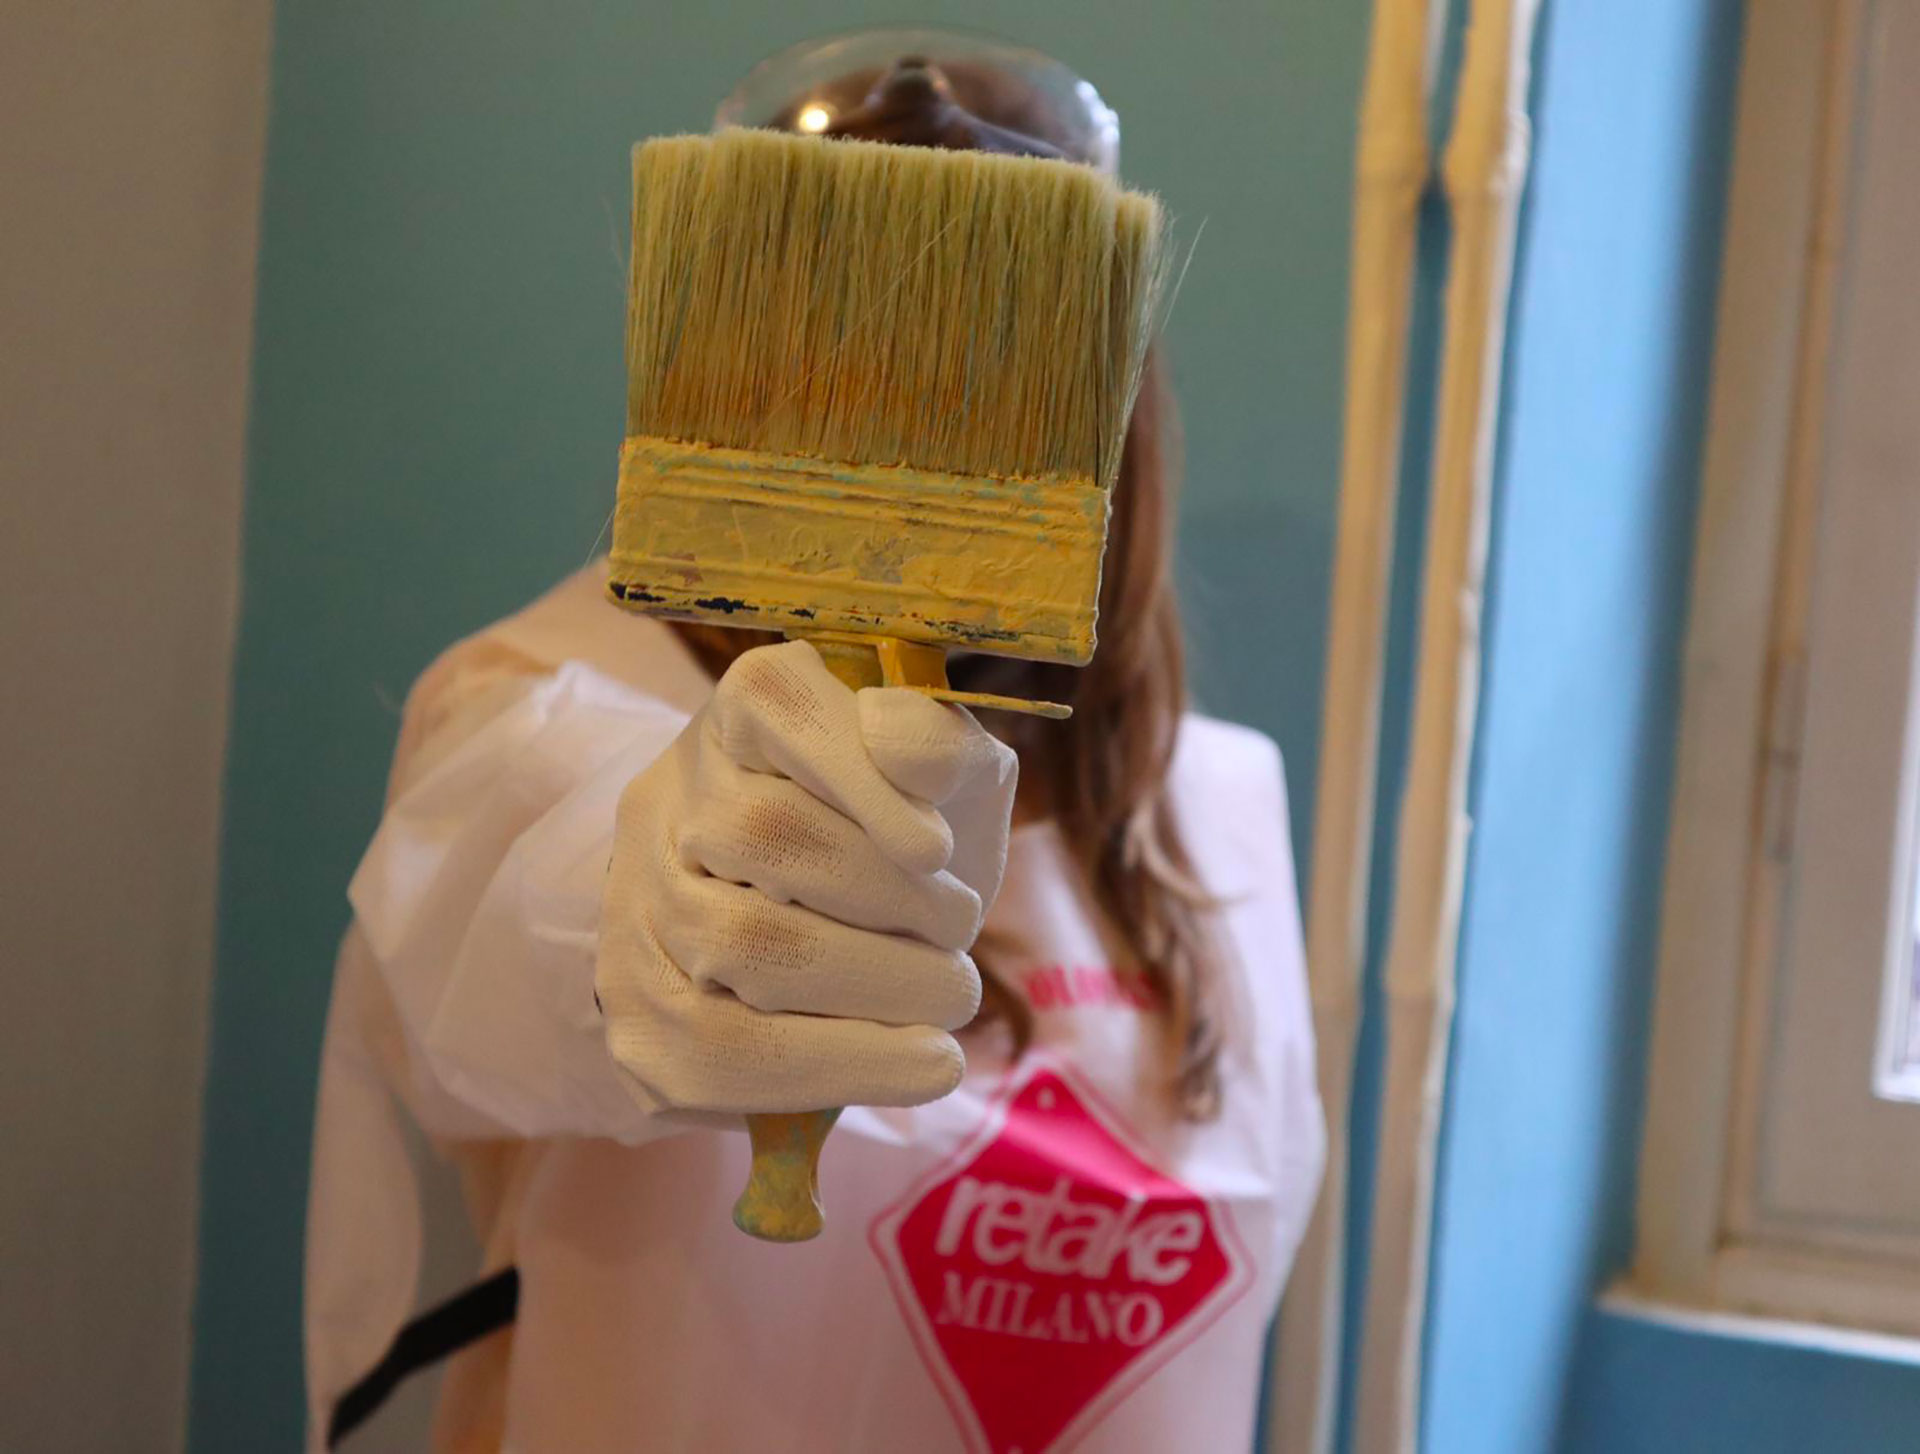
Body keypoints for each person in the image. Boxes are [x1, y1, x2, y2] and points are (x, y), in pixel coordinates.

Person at [305, 28, 1323, 1454]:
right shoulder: (542, 702)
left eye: (993, 336)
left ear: (1104, 384)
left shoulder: (1213, 806)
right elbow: (519, 887)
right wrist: (663, 907)